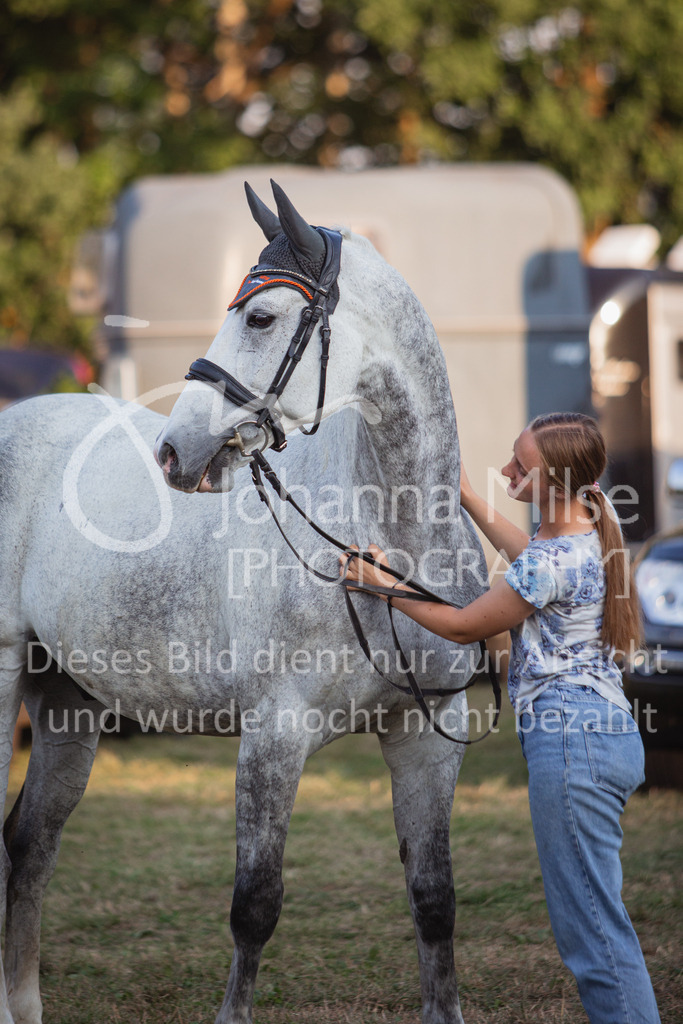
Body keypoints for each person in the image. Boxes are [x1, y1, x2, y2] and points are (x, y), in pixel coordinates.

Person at [340, 411, 660, 1024]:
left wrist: (380, 582)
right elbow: (528, 564)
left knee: (593, 935)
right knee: (599, 917)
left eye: (521, 466)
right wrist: (469, 499)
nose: (508, 470)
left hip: (572, 745)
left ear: (557, 483)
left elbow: (465, 626)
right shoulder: (588, 526)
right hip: (603, 735)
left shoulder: (552, 557)